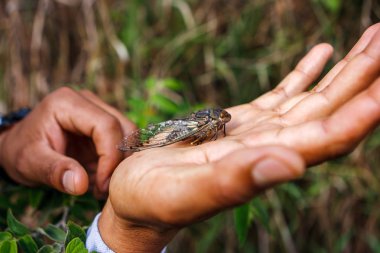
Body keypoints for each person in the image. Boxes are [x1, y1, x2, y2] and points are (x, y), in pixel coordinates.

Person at [0, 23, 379, 252]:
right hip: (185, 129)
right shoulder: (208, 125)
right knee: (170, 133)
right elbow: (203, 130)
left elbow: (216, 127)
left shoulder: (217, 122)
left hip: (190, 127)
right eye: (222, 120)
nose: (224, 123)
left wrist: (8, 135)